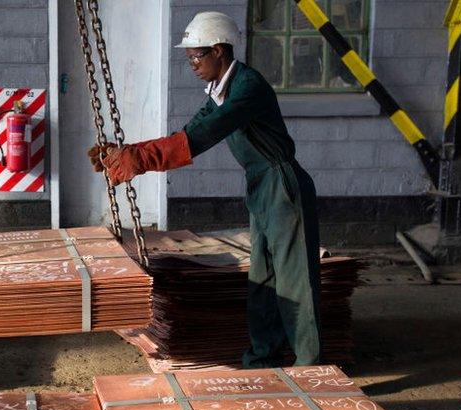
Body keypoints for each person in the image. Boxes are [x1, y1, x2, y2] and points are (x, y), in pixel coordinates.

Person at [89, 11, 321, 368]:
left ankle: (311, 369)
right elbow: (187, 131)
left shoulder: (248, 87)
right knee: (264, 279)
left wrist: (141, 158)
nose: (192, 64)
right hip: (262, 187)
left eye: (196, 56)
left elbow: (205, 134)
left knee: (296, 282)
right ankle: (264, 358)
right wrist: (130, 152)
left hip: (283, 184)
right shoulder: (219, 92)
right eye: (189, 58)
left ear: (218, 51)